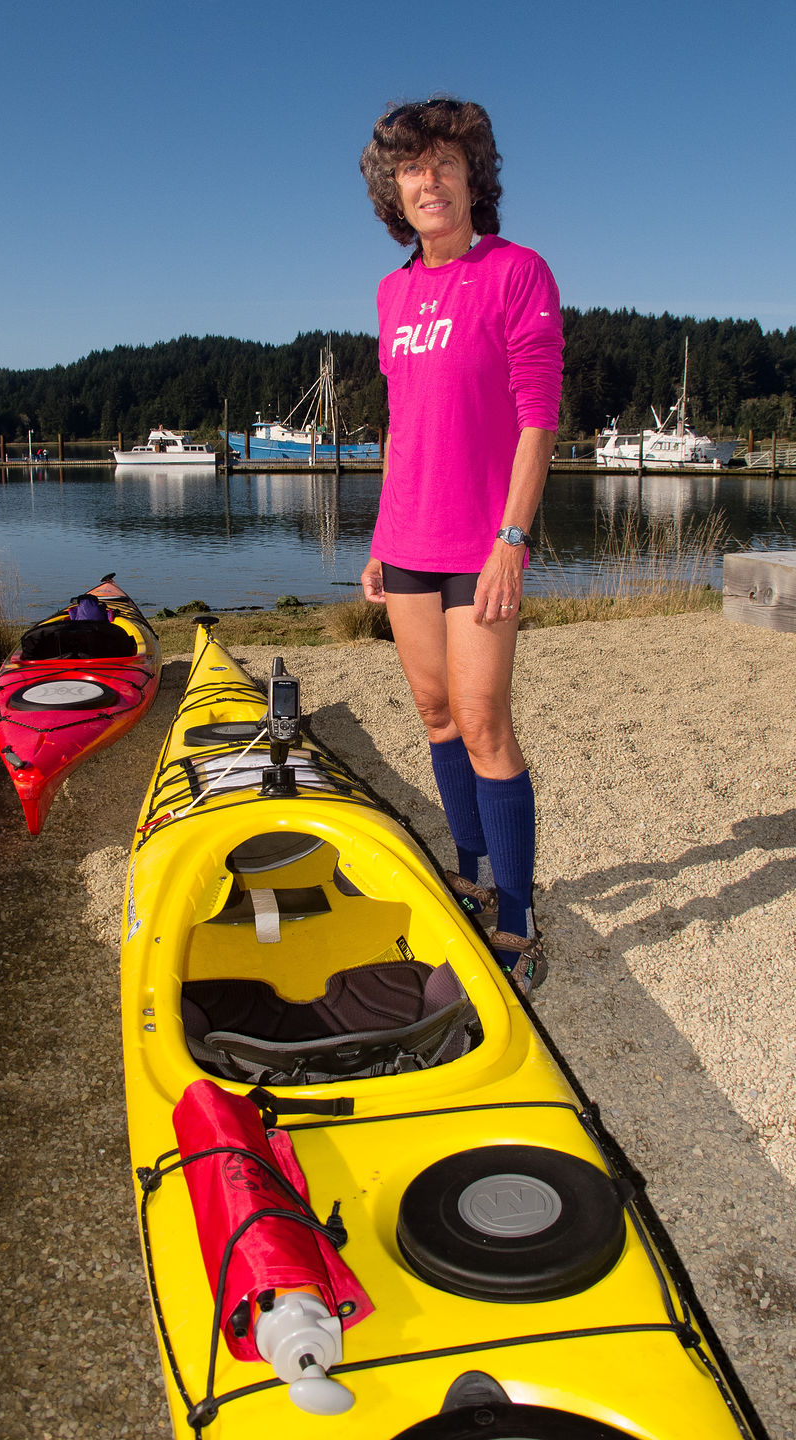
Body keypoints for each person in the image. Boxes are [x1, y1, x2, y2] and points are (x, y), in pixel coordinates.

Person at [358, 96, 564, 996]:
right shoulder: (392, 293)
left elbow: (537, 418)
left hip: (482, 542)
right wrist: (376, 533)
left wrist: (513, 540)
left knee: (483, 720)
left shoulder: (519, 274)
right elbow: (403, 425)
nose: (428, 180)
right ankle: (472, 873)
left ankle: (515, 915)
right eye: (411, 168)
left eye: (444, 162)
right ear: (393, 193)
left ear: (474, 178)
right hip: (407, 539)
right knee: (436, 714)